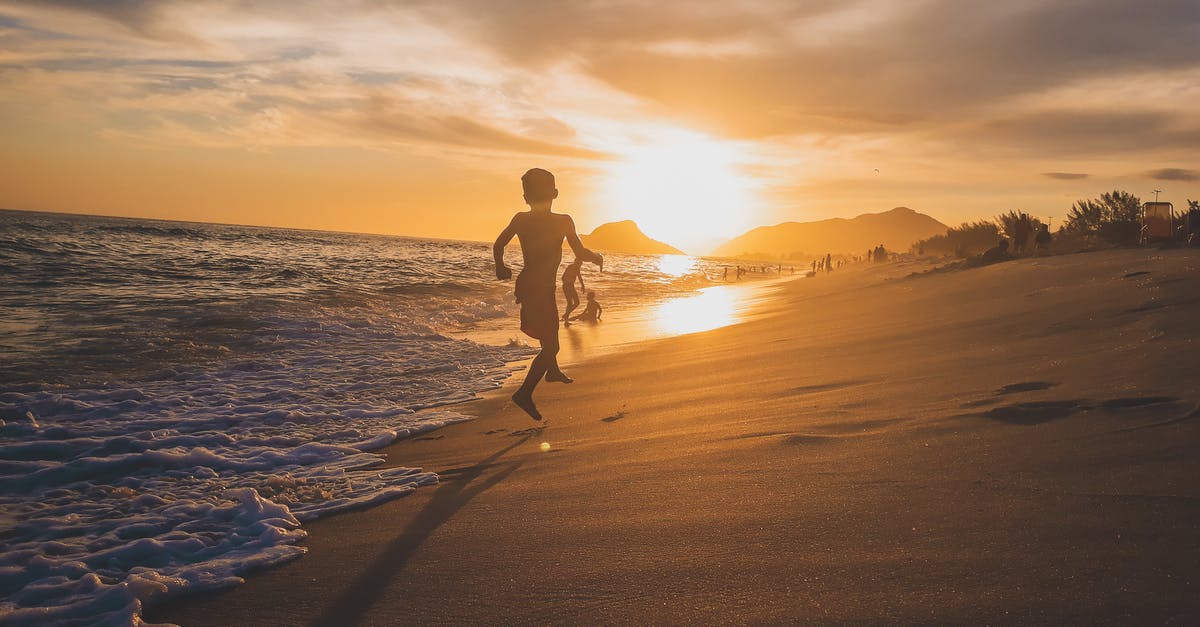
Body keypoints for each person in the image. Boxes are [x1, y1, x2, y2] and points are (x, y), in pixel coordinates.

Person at [494, 168, 602, 420]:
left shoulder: (521, 218)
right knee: (551, 344)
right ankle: (524, 393)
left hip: (530, 284)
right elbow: (580, 252)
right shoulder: (563, 221)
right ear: (555, 193)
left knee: (548, 331)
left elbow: (498, 244)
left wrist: (500, 266)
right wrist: (596, 257)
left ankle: (552, 371)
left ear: (525, 197)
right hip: (539, 289)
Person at [561, 258, 585, 322]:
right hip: (567, 286)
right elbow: (563, 277)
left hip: (570, 286)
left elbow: (579, 277)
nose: (580, 265)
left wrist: (583, 285)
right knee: (570, 303)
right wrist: (567, 282)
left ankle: (566, 315)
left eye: (581, 264)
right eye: (579, 264)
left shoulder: (577, 268)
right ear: (576, 262)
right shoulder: (571, 267)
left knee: (576, 302)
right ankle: (566, 318)